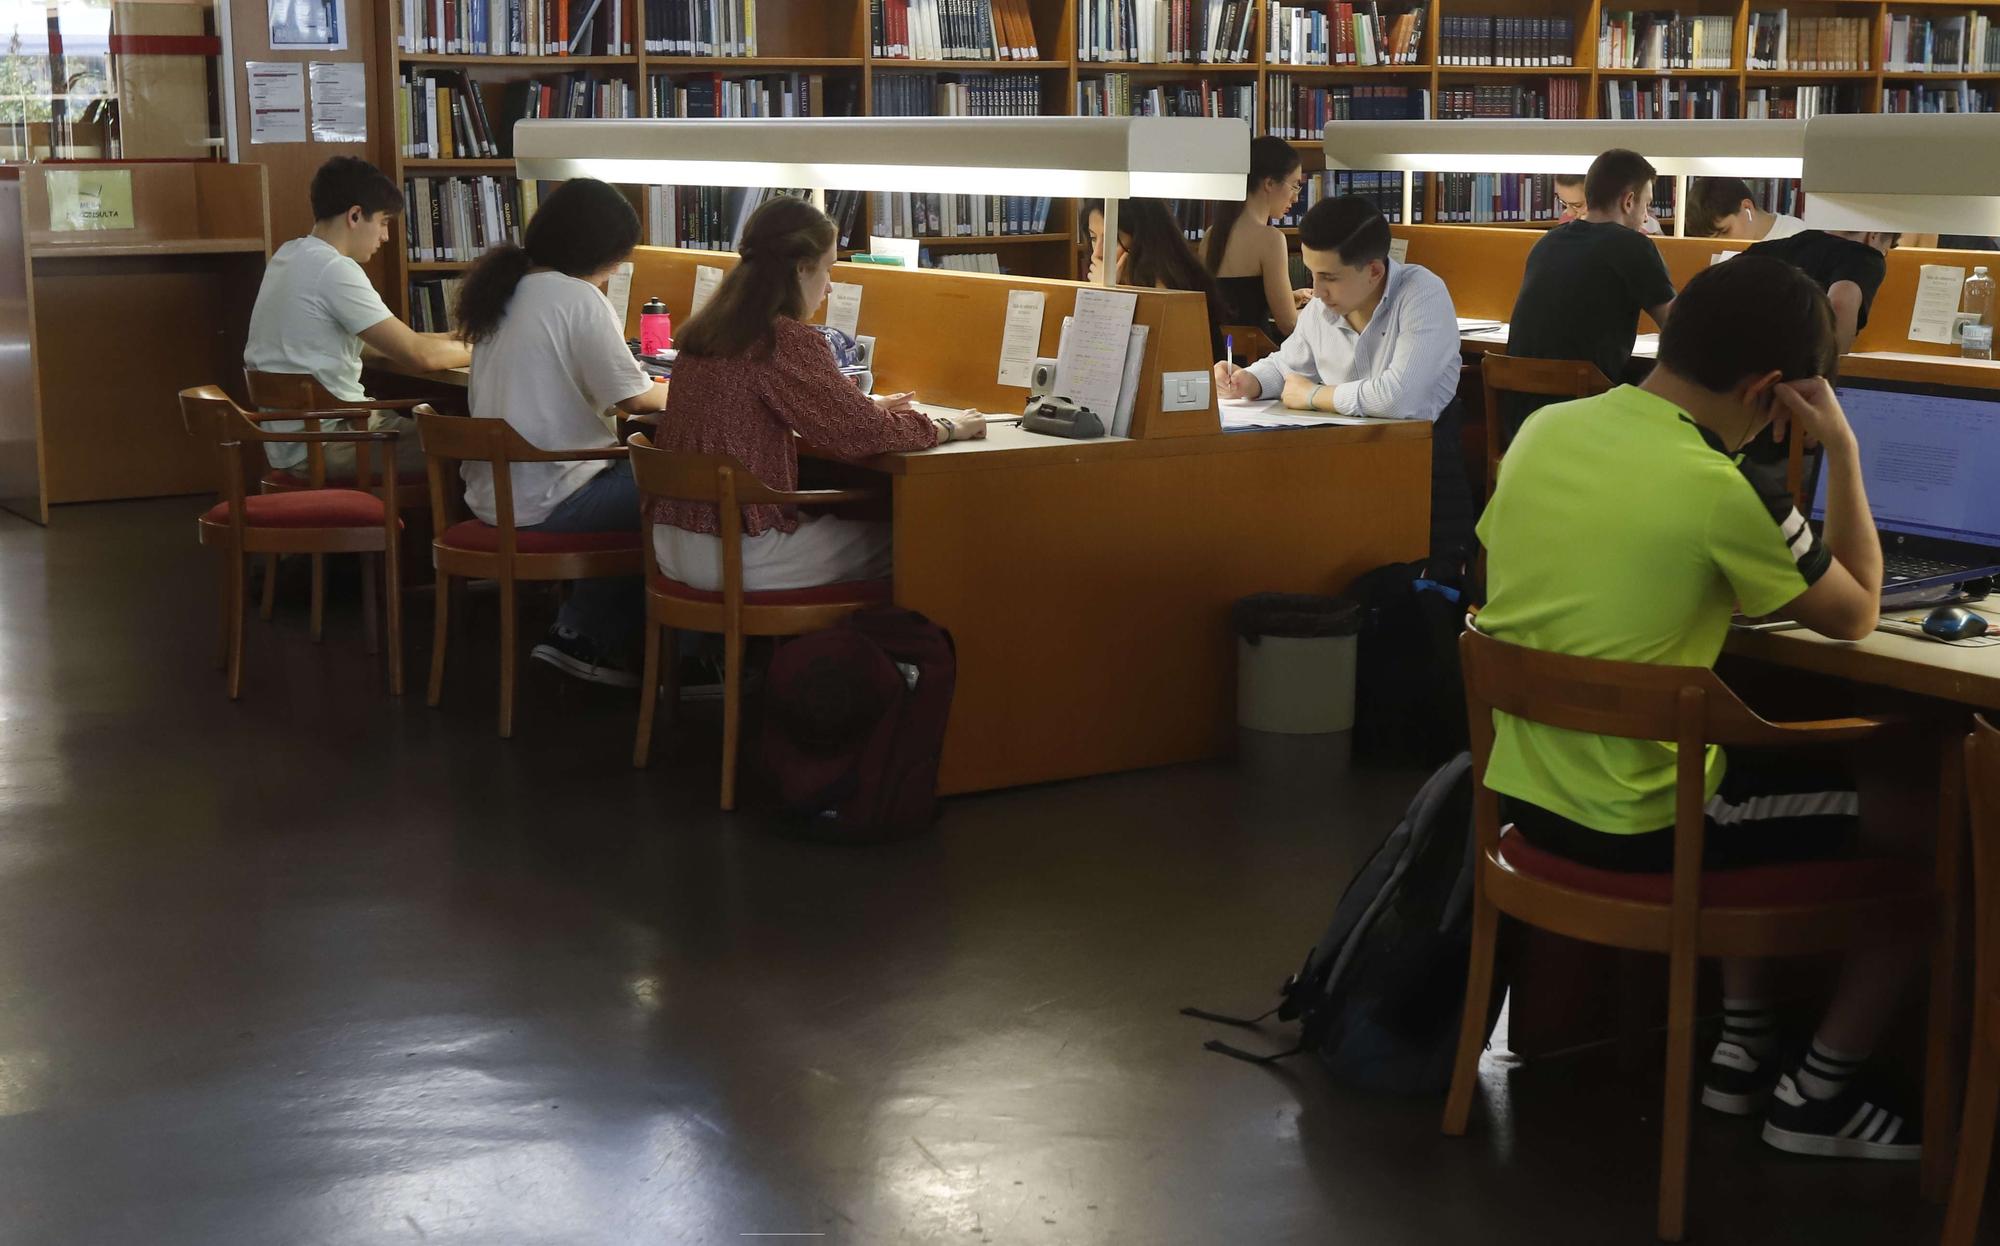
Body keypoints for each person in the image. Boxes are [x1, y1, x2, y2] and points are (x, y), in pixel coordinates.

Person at [1478, 254, 1923, 1162]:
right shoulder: (1729, 490)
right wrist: (1841, 449)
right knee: (1927, 824)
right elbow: (1858, 612)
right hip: (1647, 827)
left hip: (1530, 805)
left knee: (1746, 766)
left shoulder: (1544, 432)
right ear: (1771, 390)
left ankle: (1740, 1044)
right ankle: (1817, 1096)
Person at [652, 196, 986, 595]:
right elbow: (861, 434)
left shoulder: (707, 331)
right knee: (923, 543)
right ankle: (885, 657)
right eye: (828, 268)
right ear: (801, 267)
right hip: (737, 551)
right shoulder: (781, 339)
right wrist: (946, 428)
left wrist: (863, 405)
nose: (829, 286)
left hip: (671, 541)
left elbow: (776, 404)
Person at [452, 177, 669, 687]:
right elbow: (634, 399)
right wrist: (690, 388)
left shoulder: (505, 289)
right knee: (682, 494)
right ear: (601, 250)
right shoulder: (578, 297)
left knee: (638, 482)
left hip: (496, 492)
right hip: (548, 495)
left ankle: (579, 630)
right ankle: (612, 642)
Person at [1211, 194, 1472, 568]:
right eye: (1313, 274)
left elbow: (1397, 399)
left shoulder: (1421, 294)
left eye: (1330, 277)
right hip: (1347, 464)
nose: (1316, 292)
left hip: (1420, 471)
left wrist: (1315, 396)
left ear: (1374, 271)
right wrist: (1248, 380)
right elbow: (1289, 365)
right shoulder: (1323, 306)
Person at [244, 156, 471, 477]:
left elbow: (379, 342)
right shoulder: (333, 269)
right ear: (354, 215)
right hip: (336, 439)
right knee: (471, 449)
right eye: (383, 222)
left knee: (447, 432)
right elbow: (418, 355)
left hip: (297, 440)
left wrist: (452, 339)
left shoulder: (290, 255)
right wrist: (485, 347)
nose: (385, 237)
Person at [1501, 148, 1676, 445]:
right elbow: (1679, 330)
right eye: (1646, 205)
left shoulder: (1548, 241)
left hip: (1520, 425)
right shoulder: (1634, 246)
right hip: (1581, 419)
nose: (1646, 216)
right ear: (1628, 200)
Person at [1085, 198, 1233, 362]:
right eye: (1093, 238)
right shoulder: (1126, 281)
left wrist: (1106, 297)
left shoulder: (1168, 287)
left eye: (1111, 239)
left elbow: (1148, 361)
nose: (1096, 253)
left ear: (1142, 240)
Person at [1202, 135, 1313, 341]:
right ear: (1269, 183)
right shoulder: (1270, 239)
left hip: (1220, 358)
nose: (1296, 197)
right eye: (1295, 185)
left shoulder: (1211, 235)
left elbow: (1236, 304)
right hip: (1255, 364)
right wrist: (1323, 316)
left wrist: (1288, 298)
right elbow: (1288, 325)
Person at [1745, 228, 1895, 354]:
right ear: (1873, 236)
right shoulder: (1865, 257)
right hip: (1792, 374)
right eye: (1885, 251)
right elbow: (1839, 306)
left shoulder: (1763, 248)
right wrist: (1826, 376)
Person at [1688, 176, 1807, 242]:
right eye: (1712, 239)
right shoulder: (1717, 250)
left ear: (1747, 208)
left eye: (1725, 231)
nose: (1722, 243)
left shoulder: (1796, 235)